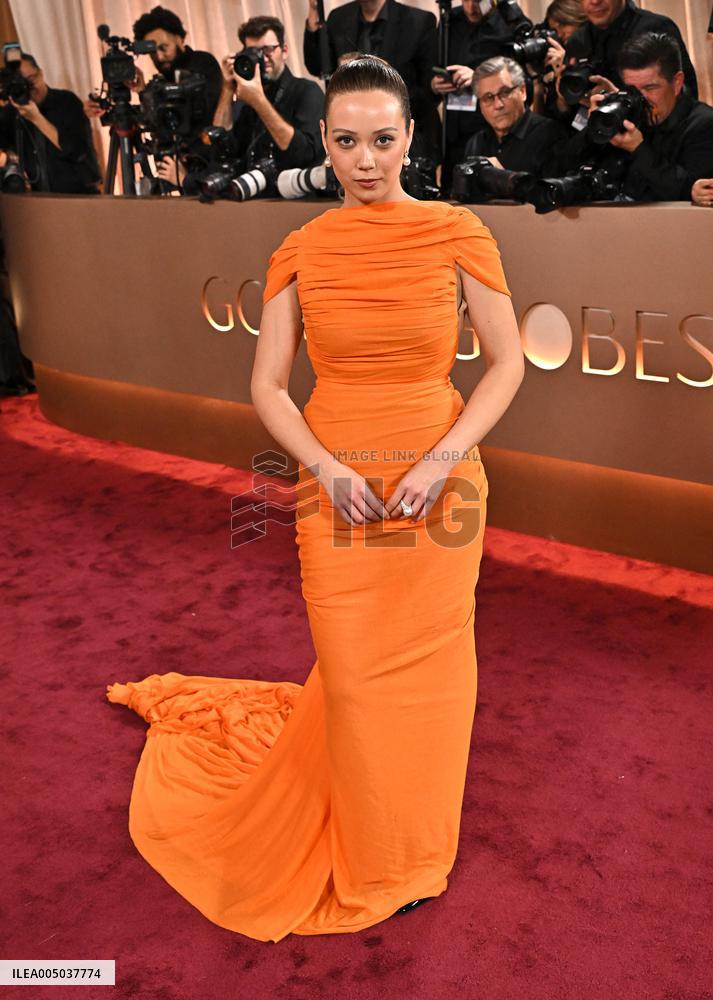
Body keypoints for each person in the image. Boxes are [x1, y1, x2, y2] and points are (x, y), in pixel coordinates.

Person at [106, 53, 525, 941]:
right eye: (345, 141)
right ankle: (372, 849)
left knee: (435, 677)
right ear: (323, 143)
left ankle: (409, 856)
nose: (365, 160)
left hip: (440, 481)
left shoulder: (457, 232)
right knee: (357, 678)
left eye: (382, 139)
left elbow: (507, 363)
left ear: (410, 139)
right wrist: (328, 470)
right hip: (333, 486)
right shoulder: (301, 248)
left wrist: (442, 460)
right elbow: (266, 386)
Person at [563, 33, 713, 201]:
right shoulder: (626, 116)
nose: (641, 98)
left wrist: (638, 149)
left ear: (677, 82)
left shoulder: (705, 124)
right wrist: (597, 125)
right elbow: (560, 168)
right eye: (632, 89)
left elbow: (691, 193)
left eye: (650, 88)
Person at [303, 0, 441, 164]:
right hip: (353, 137)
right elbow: (318, 67)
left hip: (406, 139)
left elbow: (428, 90)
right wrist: (314, 12)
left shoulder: (420, 21)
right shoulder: (338, 17)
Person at [213, 15, 324, 175]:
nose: (262, 58)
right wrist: (227, 88)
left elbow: (305, 155)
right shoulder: (247, 101)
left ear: (284, 51)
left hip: (294, 188)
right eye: (253, 52)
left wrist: (259, 102)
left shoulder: (306, 91)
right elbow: (221, 147)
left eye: (268, 50)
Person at [431, 0, 518, 193]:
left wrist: (479, 78)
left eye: (478, 0)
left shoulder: (511, 22)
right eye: (465, 0)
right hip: (453, 130)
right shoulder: (450, 19)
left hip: (492, 131)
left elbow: (519, 79)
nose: (471, 8)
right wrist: (434, 84)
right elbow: (430, 65)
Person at [0, 52, 101, 193]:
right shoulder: (11, 113)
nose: (28, 87)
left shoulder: (67, 101)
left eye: (31, 79)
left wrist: (36, 118)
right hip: (40, 198)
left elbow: (76, 151)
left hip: (80, 195)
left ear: (41, 73)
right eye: (21, 83)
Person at [462, 56, 571, 182]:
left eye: (505, 92)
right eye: (488, 97)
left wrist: (504, 180)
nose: (498, 105)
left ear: (523, 91)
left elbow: (553, 192)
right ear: (480, 105)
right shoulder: (476, 143)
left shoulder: (551, 135)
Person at [564, 0, 698, 100]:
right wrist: (563, 98)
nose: (595, 1)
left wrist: (617, 97)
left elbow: (687, 97)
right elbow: (566, 116)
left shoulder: (656, 28)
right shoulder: (577, 41)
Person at [131, 5, 223, 129]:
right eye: (152, 52)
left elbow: (203, 114)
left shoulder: (203, 63)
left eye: (164, 48)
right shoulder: (162, 79)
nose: (159, 57)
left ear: (179, 39)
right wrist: (142, 91)